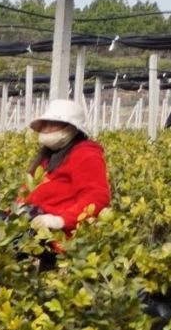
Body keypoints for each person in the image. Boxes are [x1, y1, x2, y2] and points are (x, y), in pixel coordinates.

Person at [18, 98, 111, 248]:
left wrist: (61, 220)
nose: (46, 128)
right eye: (45, 123)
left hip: (57, 237)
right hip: (34, 224)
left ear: (71, 128)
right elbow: (26, 192)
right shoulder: (48, 157)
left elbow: (96, 196)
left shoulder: (85, 154)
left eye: (53, 123)